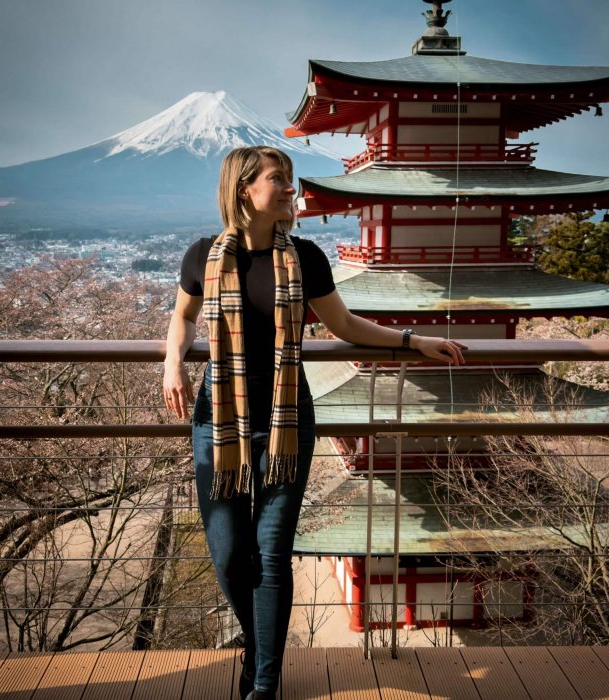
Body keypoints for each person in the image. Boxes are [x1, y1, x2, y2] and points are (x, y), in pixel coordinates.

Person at [163, 146, 466, 700]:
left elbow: (343, 323)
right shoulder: (202, 256)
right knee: (230, 552)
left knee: (272, 553)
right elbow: (182, 318)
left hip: (286, 419)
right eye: (279, 181)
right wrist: (171, 363)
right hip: (219, 419)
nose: (290, 191)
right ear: (243, 190)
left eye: (290, 181)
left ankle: (262, 683)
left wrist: (412, 341)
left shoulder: (304, 256)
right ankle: (259, 649)